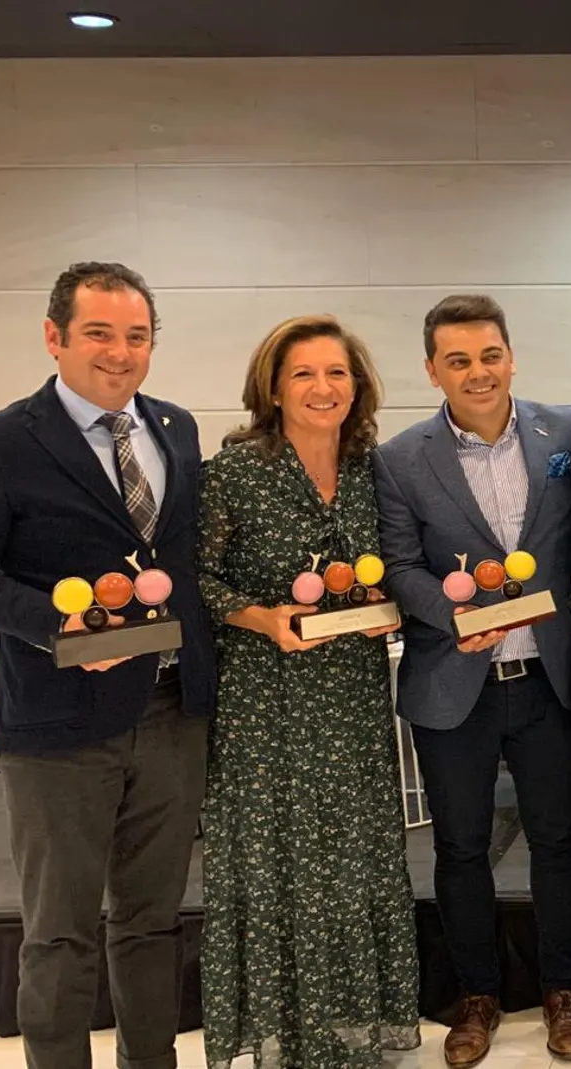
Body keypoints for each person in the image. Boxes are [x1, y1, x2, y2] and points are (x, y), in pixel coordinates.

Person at [0, 262, 217, 1069]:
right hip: (56, 727)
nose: (119, 352)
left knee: (152, 920)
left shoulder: (176, 426)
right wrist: (58, 624)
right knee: (59, 931)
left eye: (136, 335)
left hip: (169, 713)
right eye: (98, 332)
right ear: (54, 336)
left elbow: (179, 561)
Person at [372, 295, 571, 1068]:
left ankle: (564, 989)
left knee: (559, 841)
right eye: (458, 360)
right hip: (452, 685)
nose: (477, 371)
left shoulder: (563, 431)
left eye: (489, 355)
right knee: (462, 848)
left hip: (550, 680)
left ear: (511, 356)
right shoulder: (399, 458)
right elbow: (399, 564)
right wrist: (452, 616)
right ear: (431, 369)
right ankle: (477, 994)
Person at [196, 314, 418, 1069]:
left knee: (354, 854)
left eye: (337, 373)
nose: (323, 388)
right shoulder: (235, 470)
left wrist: (383, 616)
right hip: (268, 697)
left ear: (358, 385)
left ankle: (356, 1026)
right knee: (276, 856)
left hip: (352, 695)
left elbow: (395, 567)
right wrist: (262, 617)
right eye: (304, 374)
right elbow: (198, 578)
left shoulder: (373, 469)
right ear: (273, 386)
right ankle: (286, 1033)